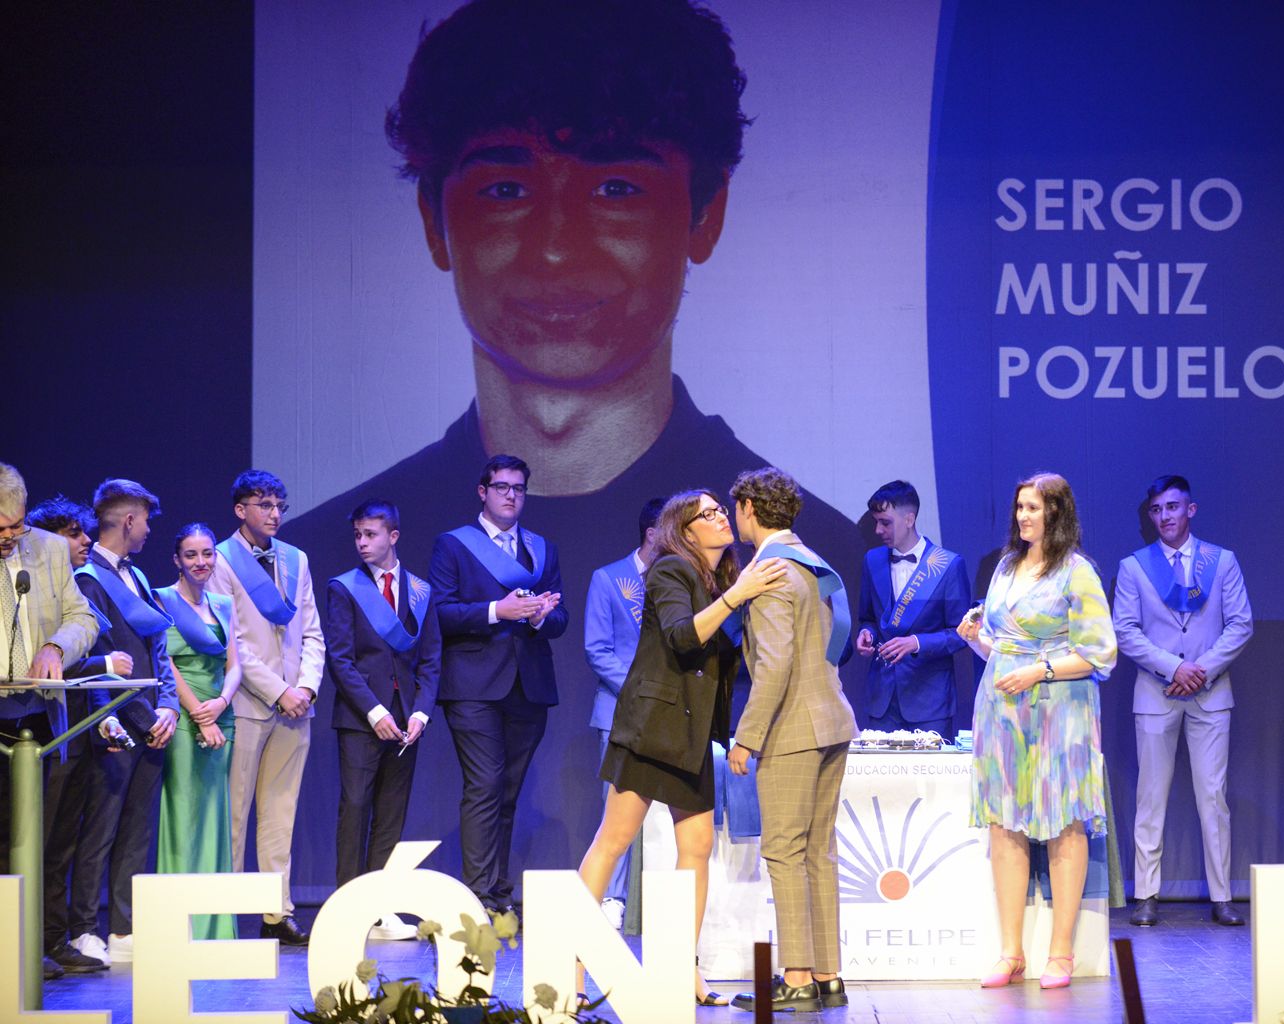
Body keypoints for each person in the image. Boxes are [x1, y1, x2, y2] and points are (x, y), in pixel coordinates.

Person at [278, 1, 864, 874]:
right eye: (506, 189)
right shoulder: (323, 546)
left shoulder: (821, 548)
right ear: (437, 224)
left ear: (705, 214)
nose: (555, 249)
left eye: (617, 187)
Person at [578, 489, 785, 1007]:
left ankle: (681, 968)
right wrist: (738, 597)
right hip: (653, 728)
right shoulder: (671, 571)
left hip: (694, 734)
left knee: (696, 848)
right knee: (613, 840)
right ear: (685, 530)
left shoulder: (724, 579)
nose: (720, 518)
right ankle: (570, 966)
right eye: (708, 514)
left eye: (721, 510)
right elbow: (681, 636)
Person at [957, 472, 1117, 991]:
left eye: (1033, 507)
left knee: (1062, 821)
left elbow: (1100, 652)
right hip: (1003, 706)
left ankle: (1062, 952)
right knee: (1006, 822)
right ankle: (1011, 952)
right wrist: (978, 639)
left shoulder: (1077, 572)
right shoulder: (1005, 567)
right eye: (1019, 507)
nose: (1023, 516)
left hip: (1061, 711)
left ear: (1056, 512)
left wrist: (1041, 671)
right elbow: (1004, 650)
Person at [727, 468, 859, 1014]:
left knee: (785, 852)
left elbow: (774, 664)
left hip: (793, 728)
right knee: (818, 855)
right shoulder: (812, 562)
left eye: (736, 509)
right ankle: (827, 976)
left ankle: (797, 978)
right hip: (831, 717)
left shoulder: (771, 571)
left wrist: (746, 736)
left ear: (750, 509)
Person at [1113, 475, 1254, 928]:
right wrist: (1174, 669)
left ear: (1190, 510)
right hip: (1157, 692)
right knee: (1150, 796)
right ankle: (1147, 895)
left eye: (1173, 507)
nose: (1165, 517)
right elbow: (1125, 631)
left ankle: (1221, 897)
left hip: (1211, 694)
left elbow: (1240, 625)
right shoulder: (1135, 567)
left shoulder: (1222, 562)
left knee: (1213, 796)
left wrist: (1200, 670)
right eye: (1156, 510)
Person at [429, 454, 565, 915]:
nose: (511, 495)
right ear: (482, 492)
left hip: (528, 685)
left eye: (519, 488)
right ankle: (478, 897)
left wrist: (544, 617)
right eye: (502, 487)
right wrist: (496, 611)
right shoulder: (453, 546)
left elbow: (559, 617)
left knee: (508, 791)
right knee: (484, 786)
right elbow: (440, 614)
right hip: (473, 687)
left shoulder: (542, 549)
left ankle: (498, 894)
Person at [206, 469, 325, 946]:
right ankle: (227, 915)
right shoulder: (220, 559)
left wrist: (308, 689)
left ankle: (277, 912)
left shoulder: (297, 558)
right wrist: (280, 691)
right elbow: (232, 639)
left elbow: (313, 631)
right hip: (249, 703)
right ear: (241, 509)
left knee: (281, 811)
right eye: (264, 505)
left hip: (297, 707)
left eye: (280, 505)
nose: (275, 514)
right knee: (234, 812)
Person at [72, 479, 180, 965]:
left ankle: (123, 928)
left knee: (138, 830)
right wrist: (130, 716)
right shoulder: (86, 577)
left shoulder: (138, 577)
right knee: (101, 829)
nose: (150, 529)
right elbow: (95, 655)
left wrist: (170, 708)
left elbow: (158, 648)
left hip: (150, 720)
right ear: (129, 521)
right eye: (146, 521)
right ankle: (81, 929)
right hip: (111, 722)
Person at [0, 462, 100, 981]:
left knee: (32, 839)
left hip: (36, 719)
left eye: (15, 526)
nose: (10, 537)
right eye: (0, 529)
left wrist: (58, 646)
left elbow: (84, 618)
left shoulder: (50, 549)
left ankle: (24, 942)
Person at [324, 500, 441, 940]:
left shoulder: (420, 591)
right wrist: (373, 710)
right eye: (357, 535)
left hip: (406, 721)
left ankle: (380, 908)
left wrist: (421, 713)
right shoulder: (345, 587)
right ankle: (347, 907)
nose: (362, 543)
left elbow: (430, 660)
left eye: (370, 535)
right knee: (355, 809)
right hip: (361, 718)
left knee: (391, 814)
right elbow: (341, 658)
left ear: (393, 536)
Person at [28, 497, 122, 972]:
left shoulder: (73, 590)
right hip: (34, 732)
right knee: (31, 842)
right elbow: (34, 661)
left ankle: (52, 939)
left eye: (83, 533)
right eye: (73, 533)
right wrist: (102, 664)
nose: (85, 540)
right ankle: (24, 942)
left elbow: (80, 638)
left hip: (73, 733)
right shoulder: (28, 588)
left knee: (61, 842)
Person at [154, 523, 241, 940]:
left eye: (207, 553)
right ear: (177, 559)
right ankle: (178, 929)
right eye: (191, 555)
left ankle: (214, 927)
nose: (201, 562)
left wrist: (222, 703)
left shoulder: (224, 604)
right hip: (185, 720)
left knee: (215, 817)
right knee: (184, 814)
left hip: (221, 716)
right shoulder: (161, 600)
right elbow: (165, 664)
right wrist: (200, 716)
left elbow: (235, 663)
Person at [582, 496, 666, 929]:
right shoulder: (608, 578)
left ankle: (657, 901)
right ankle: (611, 897)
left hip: (670, 715)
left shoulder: (680, 580)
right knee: (615, 811)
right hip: (620, 711)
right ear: (653, 533)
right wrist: (641, 692)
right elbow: (597, 650)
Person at [854, 480, 971, 737]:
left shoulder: (948, 565)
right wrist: (867, 634)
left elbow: (961, 633)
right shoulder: (872, 561)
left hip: (929, 702)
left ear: (909, 519)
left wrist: (916, 643)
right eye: (876, 522)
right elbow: (867, 619)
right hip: (881, 701)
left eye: (885, 522)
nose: (878, 529)